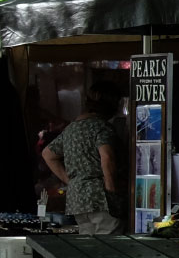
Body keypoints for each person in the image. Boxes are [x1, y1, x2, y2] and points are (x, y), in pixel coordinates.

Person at [44, 86, 122, 234]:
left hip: (77, 200)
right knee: (109, 246)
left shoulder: (71, 129)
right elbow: (107, 156)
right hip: (100, 198)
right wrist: (112, 191)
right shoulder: (101, 127)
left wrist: (71, 181)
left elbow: (48, 154)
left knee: (88, 248)